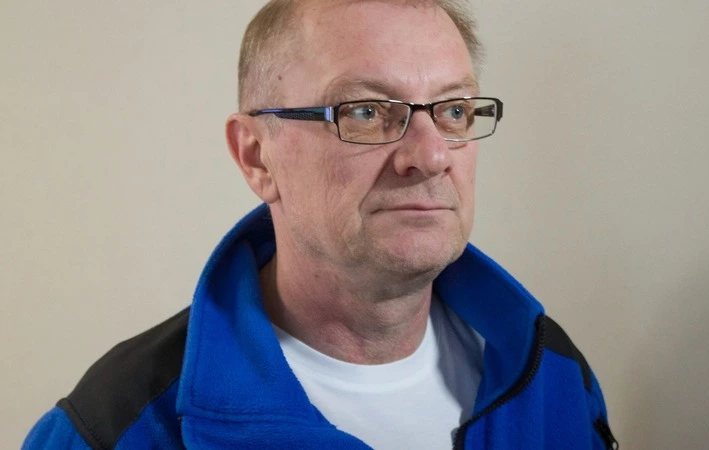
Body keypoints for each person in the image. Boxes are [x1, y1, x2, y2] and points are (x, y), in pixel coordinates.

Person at [24, 0, 616, 448]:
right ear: (257, 157)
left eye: (454, 110)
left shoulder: (551, 372)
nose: (432, 155)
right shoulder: (112, 427)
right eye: (366, 111)